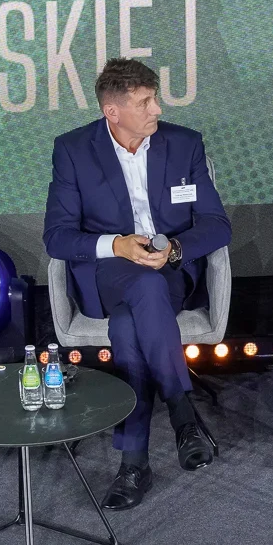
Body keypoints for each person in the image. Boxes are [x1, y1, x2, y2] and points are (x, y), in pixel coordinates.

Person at [44, 59, 229, 510]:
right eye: (145, 102)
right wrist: (117, 245)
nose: (157, 109)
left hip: (170, 272)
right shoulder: (73, 150)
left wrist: (175, 250)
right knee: (141, 291)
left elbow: (216, 224)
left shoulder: (184, 144)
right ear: (113, 111)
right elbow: (57, 236)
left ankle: (134, 464)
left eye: (155, 98)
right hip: (108, 273)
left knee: (130, 324)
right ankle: (182, 412)